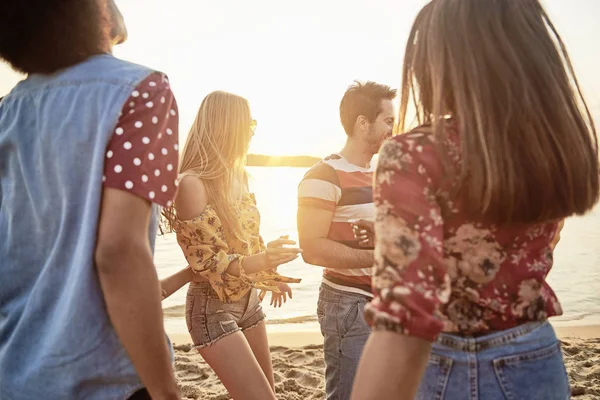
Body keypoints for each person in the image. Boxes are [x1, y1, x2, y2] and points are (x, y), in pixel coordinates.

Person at [350, 1, 599, 399]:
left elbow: (407, 317)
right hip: (537, 357)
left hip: (449, 364)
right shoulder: (549, 150)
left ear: (437, 62)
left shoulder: (413, 154)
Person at [0, 1, 181, 399]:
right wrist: (166, 392)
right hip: (105, 380)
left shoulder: (8, 112)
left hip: (17, 376)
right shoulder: (142, 92)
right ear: (95, 10)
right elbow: (118, 252)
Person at [160, 91, 302, 400]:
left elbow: (248, 243)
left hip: (248, 301)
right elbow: (212, 265)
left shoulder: (239, 177)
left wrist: (270, 275)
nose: (252, 131)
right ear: (227, 127)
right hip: (212, 308)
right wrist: (263, 261)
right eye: (248, 123)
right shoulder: (191, 184)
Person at [297, 81, 396, 400]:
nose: (391, 130)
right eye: (388, 121)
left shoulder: (379, 174)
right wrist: (381, 256)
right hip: (348, 305)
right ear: (362, 123)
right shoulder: (323, 176)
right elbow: (311, 249)